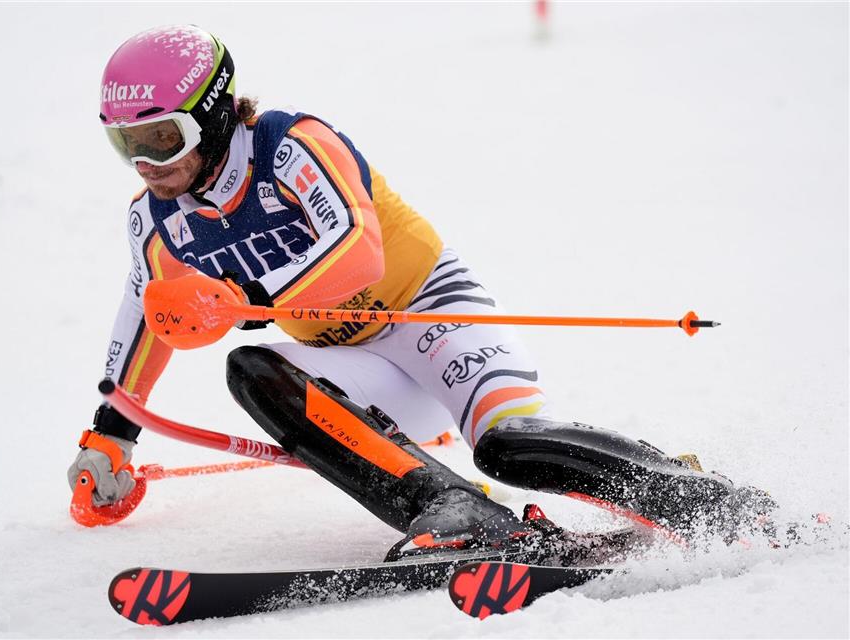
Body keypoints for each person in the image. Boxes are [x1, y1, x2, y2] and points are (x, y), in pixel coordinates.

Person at [68, 25, 770, 556]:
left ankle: (708, 499)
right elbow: (146, 309)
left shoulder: (289, 145)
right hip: (359, 367)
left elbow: (359, 250)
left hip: (433, 317)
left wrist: (249, 292)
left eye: (161, 138)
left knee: (511, 448)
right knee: (249, 368)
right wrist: (112, 435)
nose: (146, 164)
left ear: (215, 113)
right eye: (126, 146)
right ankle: (458, 513)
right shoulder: (157, 218)